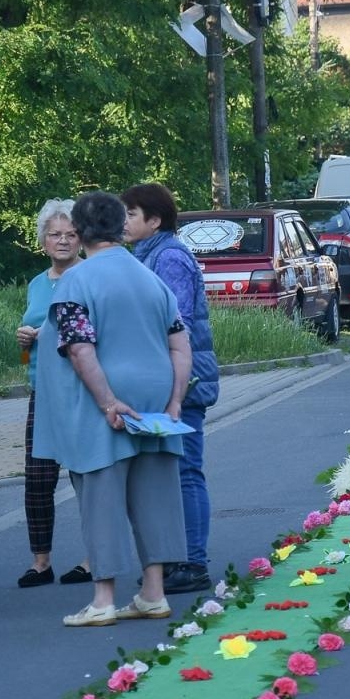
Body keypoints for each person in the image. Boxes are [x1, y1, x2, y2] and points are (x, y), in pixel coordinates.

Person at [32, 192, 191, 627]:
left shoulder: (76, 282)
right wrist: (175, 400)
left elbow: (80, 349)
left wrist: (107, 401)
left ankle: (103, 599)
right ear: (121, 228)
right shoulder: (149, 277)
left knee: (101, 492)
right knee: (154, 492)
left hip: (103, 400)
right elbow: (180, 343)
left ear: (80, 233)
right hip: (156, 400)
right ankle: (152, 592)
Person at [122, 182, 220, 595]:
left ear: (154, 220)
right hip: (167, 378)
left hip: (184, 379)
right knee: (172, 473)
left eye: (130, 214)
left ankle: (194, 563)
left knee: (186, 473)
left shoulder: (170, 258)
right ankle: (175, 557)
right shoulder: (147, 255)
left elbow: (170, 321)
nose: (123, 222)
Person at [14, 199, 86, 588]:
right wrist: (25, 340)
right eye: (55, 235)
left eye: (70, 234)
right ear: (43, 241)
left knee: (86, 476)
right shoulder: (37, 284)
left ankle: (94, 558)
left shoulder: (90, 276)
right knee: (38, 477)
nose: (63, 241)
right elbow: (30, 346)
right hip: (42, 390)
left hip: (81, 390)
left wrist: (53, 335)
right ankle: (40, 561)